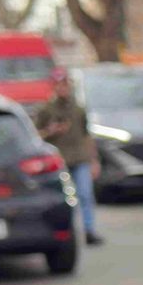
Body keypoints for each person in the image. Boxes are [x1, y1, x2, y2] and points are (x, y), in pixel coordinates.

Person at [30, 85, 102, 245]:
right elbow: (35, 137)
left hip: (80, 159)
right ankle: (66, 233)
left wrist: (94, 160)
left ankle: (89, 230)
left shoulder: (78, 109)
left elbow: (87, 135)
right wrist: (50, 131)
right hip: (60, 162)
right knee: (64, 199)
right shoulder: (46, 110)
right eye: (59, 83)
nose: (63, 89)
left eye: (65, 83)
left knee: (85, 195)